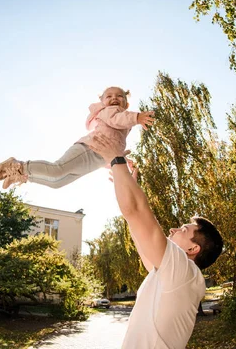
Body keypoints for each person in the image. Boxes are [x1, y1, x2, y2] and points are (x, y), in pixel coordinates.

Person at [89, 133, 224, 349]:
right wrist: (126, 183)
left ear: (193, 248)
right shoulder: (171, 274)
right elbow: (135, 223)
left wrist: (116, 159)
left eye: (183, 229)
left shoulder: (184, 272)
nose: (173, 228)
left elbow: (136, 211)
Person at [0, 86, 155, 189]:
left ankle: (23, 176)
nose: (114, 98)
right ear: (103, 102)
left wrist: (122, 161)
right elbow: (117, 119)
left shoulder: (124, 124)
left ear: (126, 103)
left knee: (57, 183)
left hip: (96, 160)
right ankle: (18, 165)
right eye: (109, 96)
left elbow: (114, 145)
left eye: (120, 96)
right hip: (88, 149)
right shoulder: (111, 112)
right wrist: (138, 117)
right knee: (57, 170)